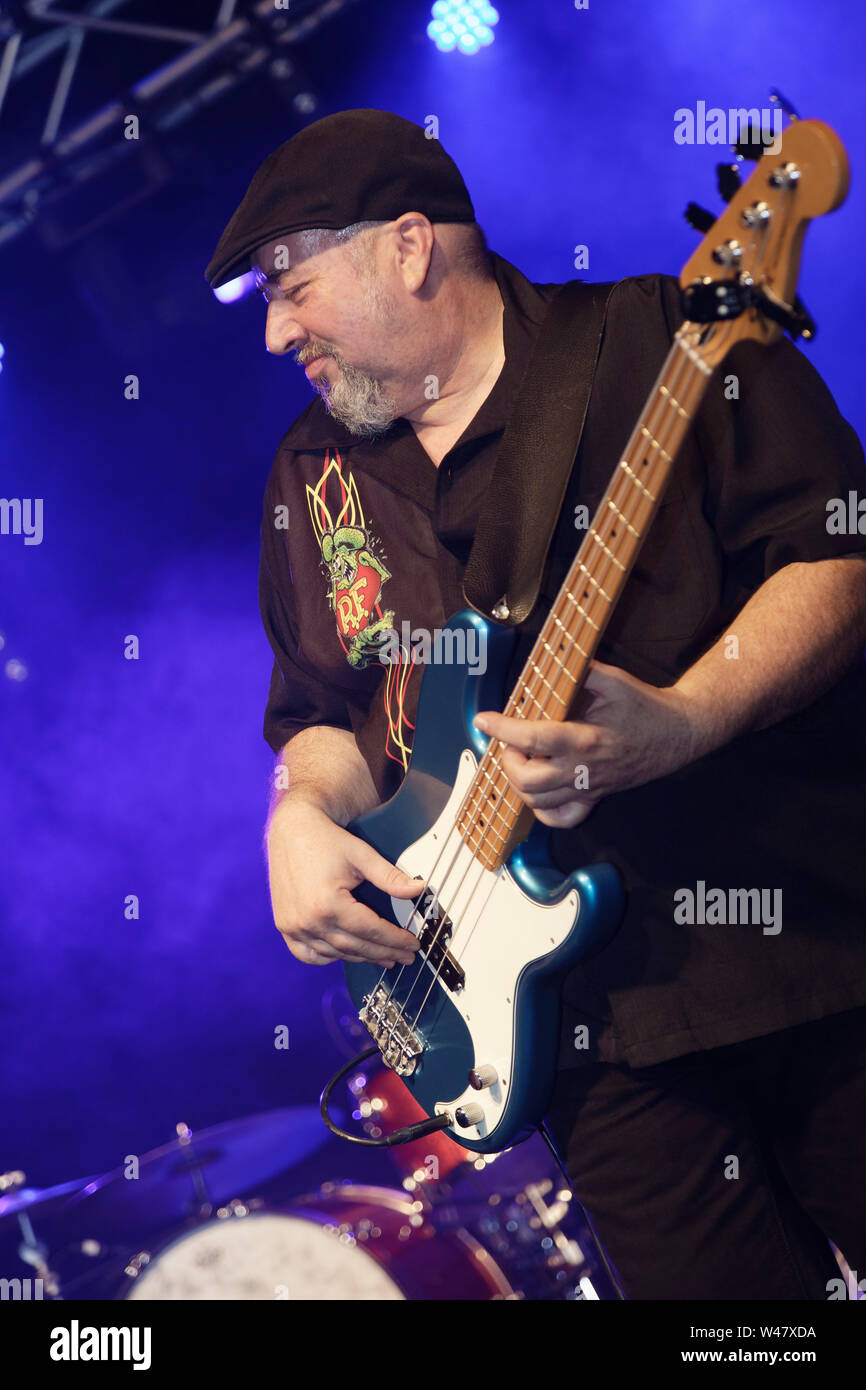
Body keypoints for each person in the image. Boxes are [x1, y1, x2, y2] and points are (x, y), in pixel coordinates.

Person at [206, 108, 866, 1300]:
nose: (272, 331)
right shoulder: (311, 477)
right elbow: (319, 705)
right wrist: (297, 814)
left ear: (407, 246)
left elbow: (836, 556)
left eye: (288, 284)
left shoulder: (665, 342)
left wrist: (684, 718)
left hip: (812, 955)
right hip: (574, 1041)